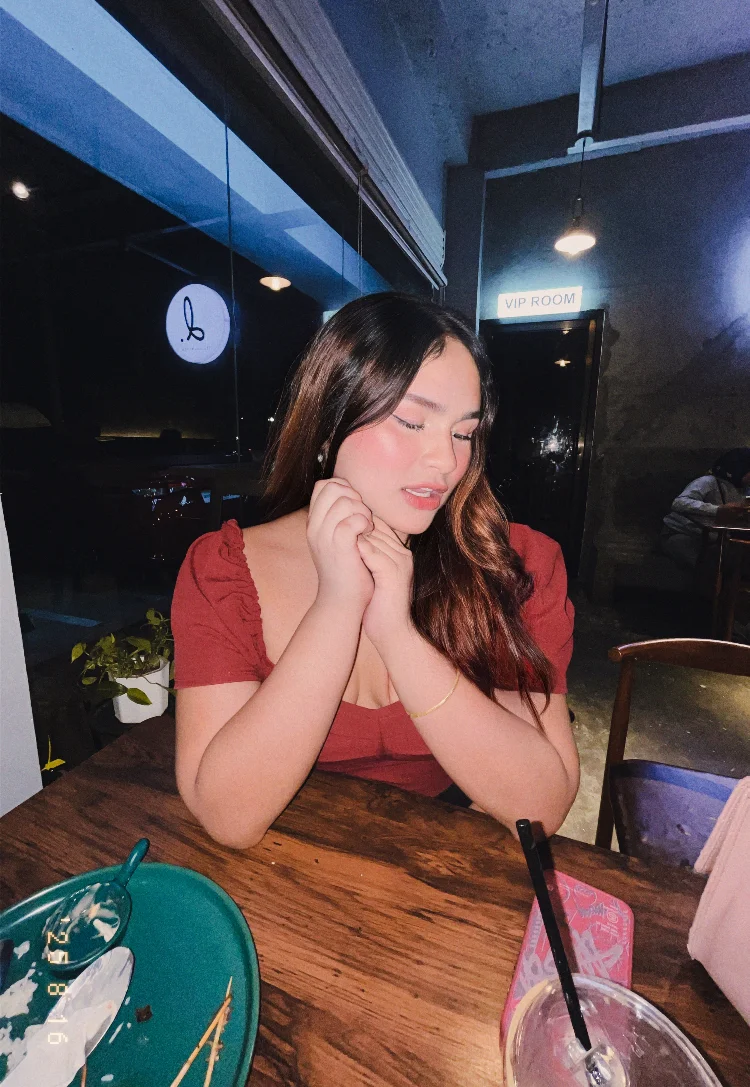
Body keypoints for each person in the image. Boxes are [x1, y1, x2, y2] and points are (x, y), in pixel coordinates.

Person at [171, 293, 579, 849]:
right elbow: (229, 817)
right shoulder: (223, 571)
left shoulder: (513, 566)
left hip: (450, 863)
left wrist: (397, 634)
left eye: (463, 433)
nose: (446, 461)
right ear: (326, 425)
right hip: (285, 861)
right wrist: (337, 605)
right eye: (411, 421)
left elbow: (542, 806)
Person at [661, 449, 750, 570]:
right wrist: (717, 510)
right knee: (707, 566)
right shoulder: (708, 482)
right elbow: (679, 503)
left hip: (715, 539)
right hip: (684, 534)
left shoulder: (743, 490)